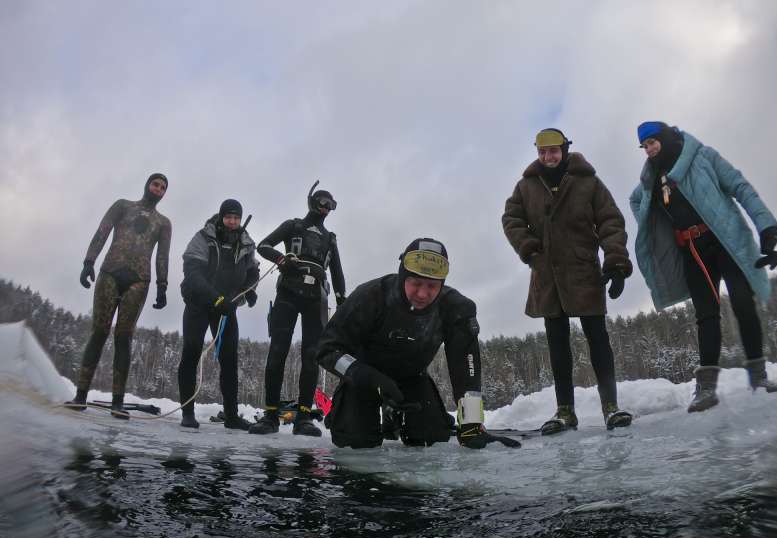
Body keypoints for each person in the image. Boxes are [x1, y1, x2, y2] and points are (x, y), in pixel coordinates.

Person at [630, 121, 777, 413]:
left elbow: (739, 185)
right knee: (706, 315)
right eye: (644, 146)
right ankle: (706, 388)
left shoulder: (702, 156)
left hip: (725, 239)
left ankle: (759, 376)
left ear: (664, 137)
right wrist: (657, 229)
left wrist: (766, 226)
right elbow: (636, 200)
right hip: (692, 250)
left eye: (652, 142)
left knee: (742, 302)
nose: (649, 149)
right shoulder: (652, 178)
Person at [316, 237, 521, 449]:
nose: (423, 294)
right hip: (362, 378)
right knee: (355, 441)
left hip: (412, 378)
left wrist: (471, 423)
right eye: (415, 283)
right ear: (403, 277)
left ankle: (396, 416)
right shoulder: (370, 296)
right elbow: (326, 349)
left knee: (430, 438)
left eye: (432, 286)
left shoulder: (456, 308)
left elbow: (465, 368)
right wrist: (363, 375)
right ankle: (362, 412)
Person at [502, 128, 633, 435]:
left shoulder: (588, 182)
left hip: (584, 270)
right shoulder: (526, 186)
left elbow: (611, 221)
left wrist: (615, 262)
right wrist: (528, 247)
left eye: (554, 151)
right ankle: (565, 412)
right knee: (557, 343)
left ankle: (610, 407)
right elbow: (511, 219)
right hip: (547, 274)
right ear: (538, 153)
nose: (548, 157)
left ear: (564, 150)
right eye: (542, 152)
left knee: (597, 338)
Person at [66, 173, 171, 419]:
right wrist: (89, 261)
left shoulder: (163, 222)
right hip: (110, 272)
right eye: (156, 184)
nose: (158, 189)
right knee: (99, 331)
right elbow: (101, 231)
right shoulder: (122, 205)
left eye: (163, 187)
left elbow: (162, 256)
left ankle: (118, 402)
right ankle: (80, 396)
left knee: (124, 337)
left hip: (139, 280)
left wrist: (162, 285)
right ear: (147, 184)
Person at [249, 183, 345, 437]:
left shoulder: (329, 239)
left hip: (316, 299)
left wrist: (342, 302)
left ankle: (304, 416)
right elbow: (263, 245)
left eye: (330, 204)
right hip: (288, 294)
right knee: (278, 351)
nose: (325, 208)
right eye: (321, 202)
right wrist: (282, 259)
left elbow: (337, 272)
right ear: (311, 202)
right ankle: (270, 415)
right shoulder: (293, 226)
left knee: (311, 356)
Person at [177, 199, 259, 429]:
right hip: (199, 304)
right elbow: (192, 273)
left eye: (236, 218)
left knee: (230, 360)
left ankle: (231, 416)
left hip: (226, 309)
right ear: (221, 217)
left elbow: (253, 270)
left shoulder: (245, 243)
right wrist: (216, 298)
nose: (232, 222)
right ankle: (187, 413)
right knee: (191, 353)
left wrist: (250, 290)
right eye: (228, 217)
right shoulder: (203, 237)